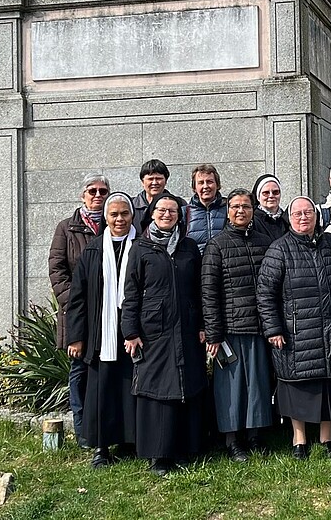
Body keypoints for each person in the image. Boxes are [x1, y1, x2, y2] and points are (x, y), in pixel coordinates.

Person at [257, 196, 331, 460]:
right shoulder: (279, 249)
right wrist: (273, 328)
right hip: (294, 332)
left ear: (316, 216)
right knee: (296, 385)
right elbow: (265, 293)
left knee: (329, 384)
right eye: (297, 213)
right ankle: (299, 439)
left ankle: (327, 437)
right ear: (289, 218)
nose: (303, 217)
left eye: (308, 212)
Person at [122, 192, 207, 475]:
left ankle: (183, 448)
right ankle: (159, 455)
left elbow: (199, 288)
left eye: (173, 211)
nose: (167, 214)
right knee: (157, 390)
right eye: (162, 210)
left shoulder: (189, 247)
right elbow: (131, 293)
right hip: (153, 331)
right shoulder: (141, 248)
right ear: (152, 214)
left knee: (186, 386)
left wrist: (203, 325)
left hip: (186, 328)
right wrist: (130, 331)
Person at [201, 189, 274, 462]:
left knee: (258, 385)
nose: (240, 211)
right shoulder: (216, 245)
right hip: (230, 328)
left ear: (253, 210)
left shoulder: (265, 242)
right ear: (227, 211)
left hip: (258, 326)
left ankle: (255, 436)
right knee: (230, 389)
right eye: (235, 206)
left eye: (245, 206)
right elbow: (209, 292)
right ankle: (233, 441)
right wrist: (214, 333)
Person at [66, 192, 137, 468]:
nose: (120, 219)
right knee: (102, 391)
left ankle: (130, 441)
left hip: (131, 332)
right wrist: (77, 337)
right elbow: (78, 297)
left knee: (130, 389)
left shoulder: (142, 247)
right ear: (106, 218)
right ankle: (101, 448)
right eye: (114, 214)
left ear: (132, 216)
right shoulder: (93, 250)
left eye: (125, 214)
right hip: (101, 334)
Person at [48, 173, 109, 447]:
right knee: (80, 371)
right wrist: (76, 303)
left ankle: (106, 429)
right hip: (79, 314)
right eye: (92, 191)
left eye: (103, 191)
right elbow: (57, 269)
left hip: (108, 313)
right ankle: (84, 431)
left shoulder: (113, 225)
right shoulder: (67, 228)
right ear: (83, 195)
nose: (98, 196)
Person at [185, 164, 227, 254]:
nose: (205, 186)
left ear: (217, 185)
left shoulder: (229, 209)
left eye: (209, 182)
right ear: (194, 188)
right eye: (200, 182)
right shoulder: (185, 212)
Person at [131, 159, 184, 230]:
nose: (155, 183)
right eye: (150, 179)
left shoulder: (180, 204)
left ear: (166, 181)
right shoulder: (131, 206)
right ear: (142, 182)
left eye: (159, 178)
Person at [252, 174, 288, 242]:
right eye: (266, 193)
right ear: (258, 197)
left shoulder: (287, 220)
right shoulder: (251, 220)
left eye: (275, 192)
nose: (271, 196)